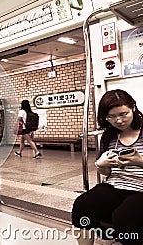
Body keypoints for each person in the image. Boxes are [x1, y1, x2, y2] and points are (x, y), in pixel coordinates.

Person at [72, 89, 143, 245]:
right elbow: (106, 173)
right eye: (111, 117)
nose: (118, 121)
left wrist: (140, 162)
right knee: (82, 205)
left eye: (123, 114)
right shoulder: (109, 136)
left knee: (124, 217)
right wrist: (101, 165)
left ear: (133, 108)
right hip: (116, 185)